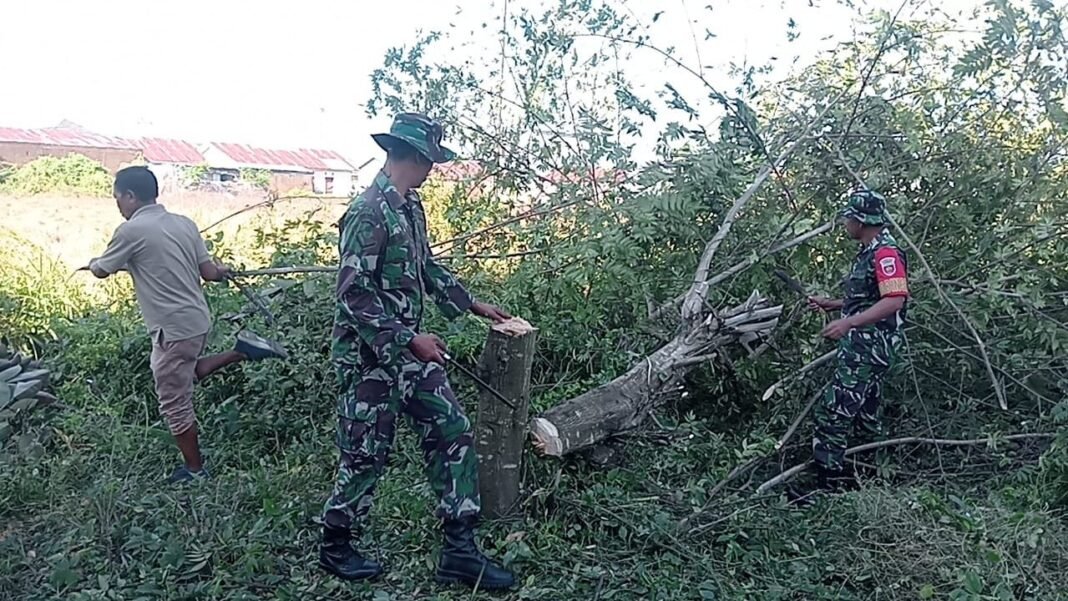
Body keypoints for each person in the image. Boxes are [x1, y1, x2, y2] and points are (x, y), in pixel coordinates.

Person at [320, 113, 516, 590]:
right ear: (413, 156)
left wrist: (470, 303)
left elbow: (424, 265)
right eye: (429, 159)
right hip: (371, 357)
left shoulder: (410, 207)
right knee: (366, 454)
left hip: (409, 354)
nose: (432, 169)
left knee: (452, 429)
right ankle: (336, 544)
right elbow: (353, 295)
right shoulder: (368, 211)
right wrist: (410, 339)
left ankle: (459, 549)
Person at [87, 166, 288, 484]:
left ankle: (195, 471)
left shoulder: (130, 231)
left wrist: (95, 264)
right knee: (184, 372)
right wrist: (222, 271)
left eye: (118, 197)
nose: (118, 205)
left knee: (174, 400)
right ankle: (242, 351)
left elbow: (102, 270)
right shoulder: (183, 223)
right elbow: (208, 272)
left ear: (130, 196)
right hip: (196, 321)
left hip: (173, 330)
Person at [791, 188, 909, 502]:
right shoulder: (870, 251)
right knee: (866, 413)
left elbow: (895, 300)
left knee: (834, 411)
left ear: (860, 220)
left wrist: (849, 323)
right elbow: (866, 300)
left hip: (869, 348)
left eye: (848, 217)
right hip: (867, 346)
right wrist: (832, 305)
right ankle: (871, 476)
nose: (845, 223)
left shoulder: (885, 253)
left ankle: (827, 486)